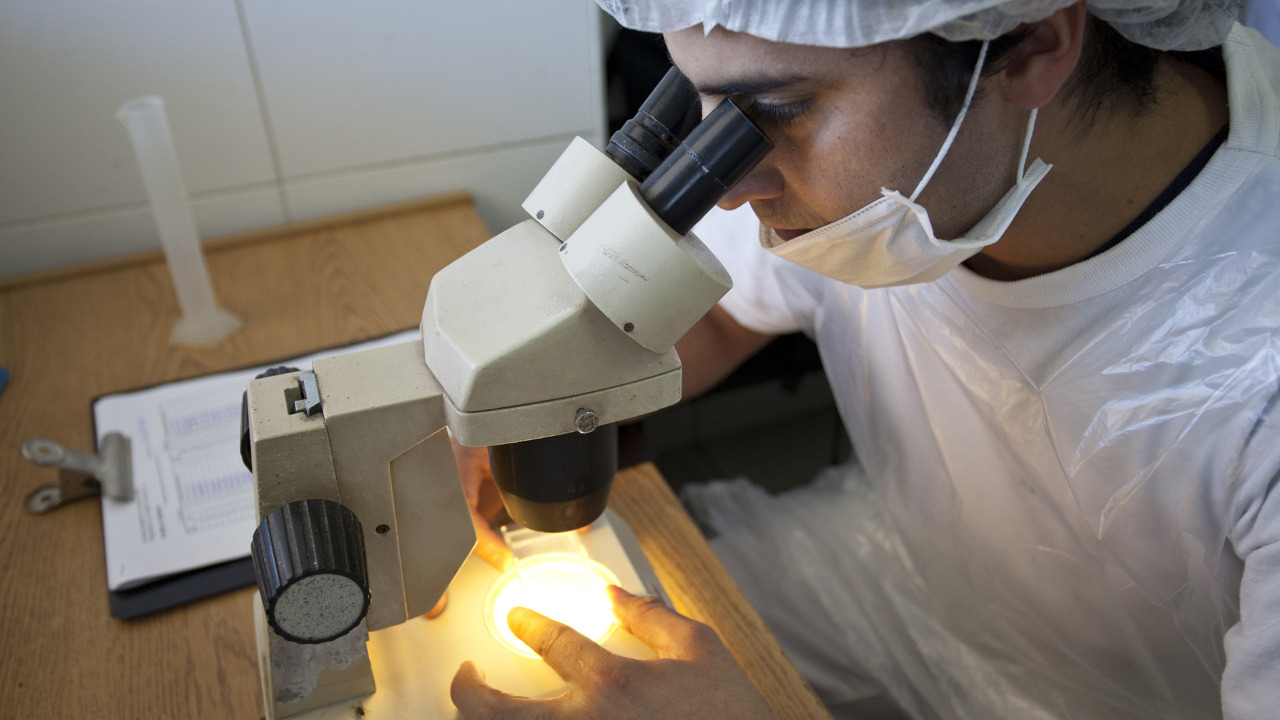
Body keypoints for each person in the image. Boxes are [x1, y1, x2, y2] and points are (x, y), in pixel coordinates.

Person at [450, 0, 1280, 718]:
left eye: (774, 109)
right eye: (698, 102)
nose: (730, 191)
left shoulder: (1256, 356)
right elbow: (714, 322)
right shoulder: (896, 160)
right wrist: (533, 392)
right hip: (909, 585)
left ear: (1031, 45)